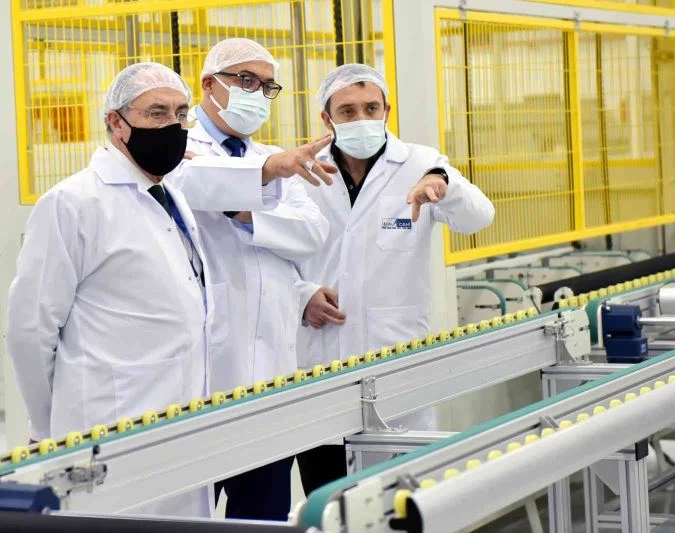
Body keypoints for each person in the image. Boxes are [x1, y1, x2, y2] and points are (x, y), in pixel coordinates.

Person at [6, 62, 213, 516]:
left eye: (181, 113)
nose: (173, 126)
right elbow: (29, 329)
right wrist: (48, 427)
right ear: (116, 123)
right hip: (106, 427)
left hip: (180, 422)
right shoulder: (73, 203)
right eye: (156, 113)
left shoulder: (171, 197)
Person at [294, 64, 495, 494]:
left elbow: (480, 217)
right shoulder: (304, 173)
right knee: (327, 496)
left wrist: (445, 184)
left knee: (400, 498)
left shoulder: (420, 164)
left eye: (371, 108)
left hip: (396, 360)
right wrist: (301, 296)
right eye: (347, 111)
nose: (362, 119)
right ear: (327, 119)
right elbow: (277, 255)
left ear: (387, 111)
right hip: (320, 359)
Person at [167, 38, 332, 521]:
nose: (257, 93)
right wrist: (266, 177)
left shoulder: (273, 155)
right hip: (204, 375)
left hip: (271, 374)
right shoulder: (177, 147)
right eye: (245, 80)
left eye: (266, 85)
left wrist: (245, 212)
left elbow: (312, 232)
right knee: (187, 512)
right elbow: (193, 183)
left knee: (264, 513)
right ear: (209, 84)